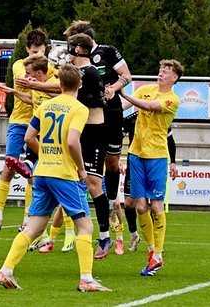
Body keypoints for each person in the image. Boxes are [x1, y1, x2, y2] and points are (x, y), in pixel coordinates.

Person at [0, 64, 111, 292]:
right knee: (85, 227)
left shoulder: (45, 105)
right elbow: (71, 142)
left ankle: (6, 270)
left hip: (42, 172)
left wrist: (45, 154)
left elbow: (28, 138)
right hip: (64, 174)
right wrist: (81, 168)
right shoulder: (79, 109)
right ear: (80, 84)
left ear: (59, 84)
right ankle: (86, 280)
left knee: (34, 227)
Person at [64, 20, 132, 256]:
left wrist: (114, 87)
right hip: (86, 120)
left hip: (110, 115)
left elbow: (127, 75)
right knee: (82, 177)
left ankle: (111, 206)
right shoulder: (77, 66)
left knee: (112, 164)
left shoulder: (106, 52)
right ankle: (89, 227)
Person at [0, 28, 60, 231]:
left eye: (41, 52)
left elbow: (61, 85)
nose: (37, 56)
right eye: (34, 52)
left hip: (43, 124)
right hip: (19, 121)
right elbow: (29, 79)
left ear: (46, 50)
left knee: (33, 174)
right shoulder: (21, 65)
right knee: (10, 166)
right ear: (27, 49)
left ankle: (27, 219)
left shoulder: (53, 68)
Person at [119, 59, 183, 276]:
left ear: (175, 78)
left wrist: (125, 95)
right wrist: (109, 103)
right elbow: (124, 106)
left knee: (156, 207)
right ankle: (151, 252)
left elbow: (149, 106)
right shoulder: (145, 89)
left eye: (166, 71)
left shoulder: (172, 99)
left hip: (157, 156)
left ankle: (158, 256)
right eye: (160, 69)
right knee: (140, 208)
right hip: (136, 154)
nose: (161, 73)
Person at [66, 33, 110, 259]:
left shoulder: (89, 71)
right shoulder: (80, 72)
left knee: (93, 185)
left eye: (70, 48)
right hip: (80, 132)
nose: (67, 52)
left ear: (79, 50)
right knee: (69, 181)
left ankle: (105, 235)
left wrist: (38, 85)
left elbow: (64, 89)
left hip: (93, 134)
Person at [121, 111, 177, 253]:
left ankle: (154, 244)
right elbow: (116, 138)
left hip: (154, 163)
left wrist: (173, 162)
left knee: (153, 204)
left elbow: (170, 140)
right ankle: (134, 235)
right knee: (129, 204)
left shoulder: (159, 117)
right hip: (135, 164)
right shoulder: (131, 120)